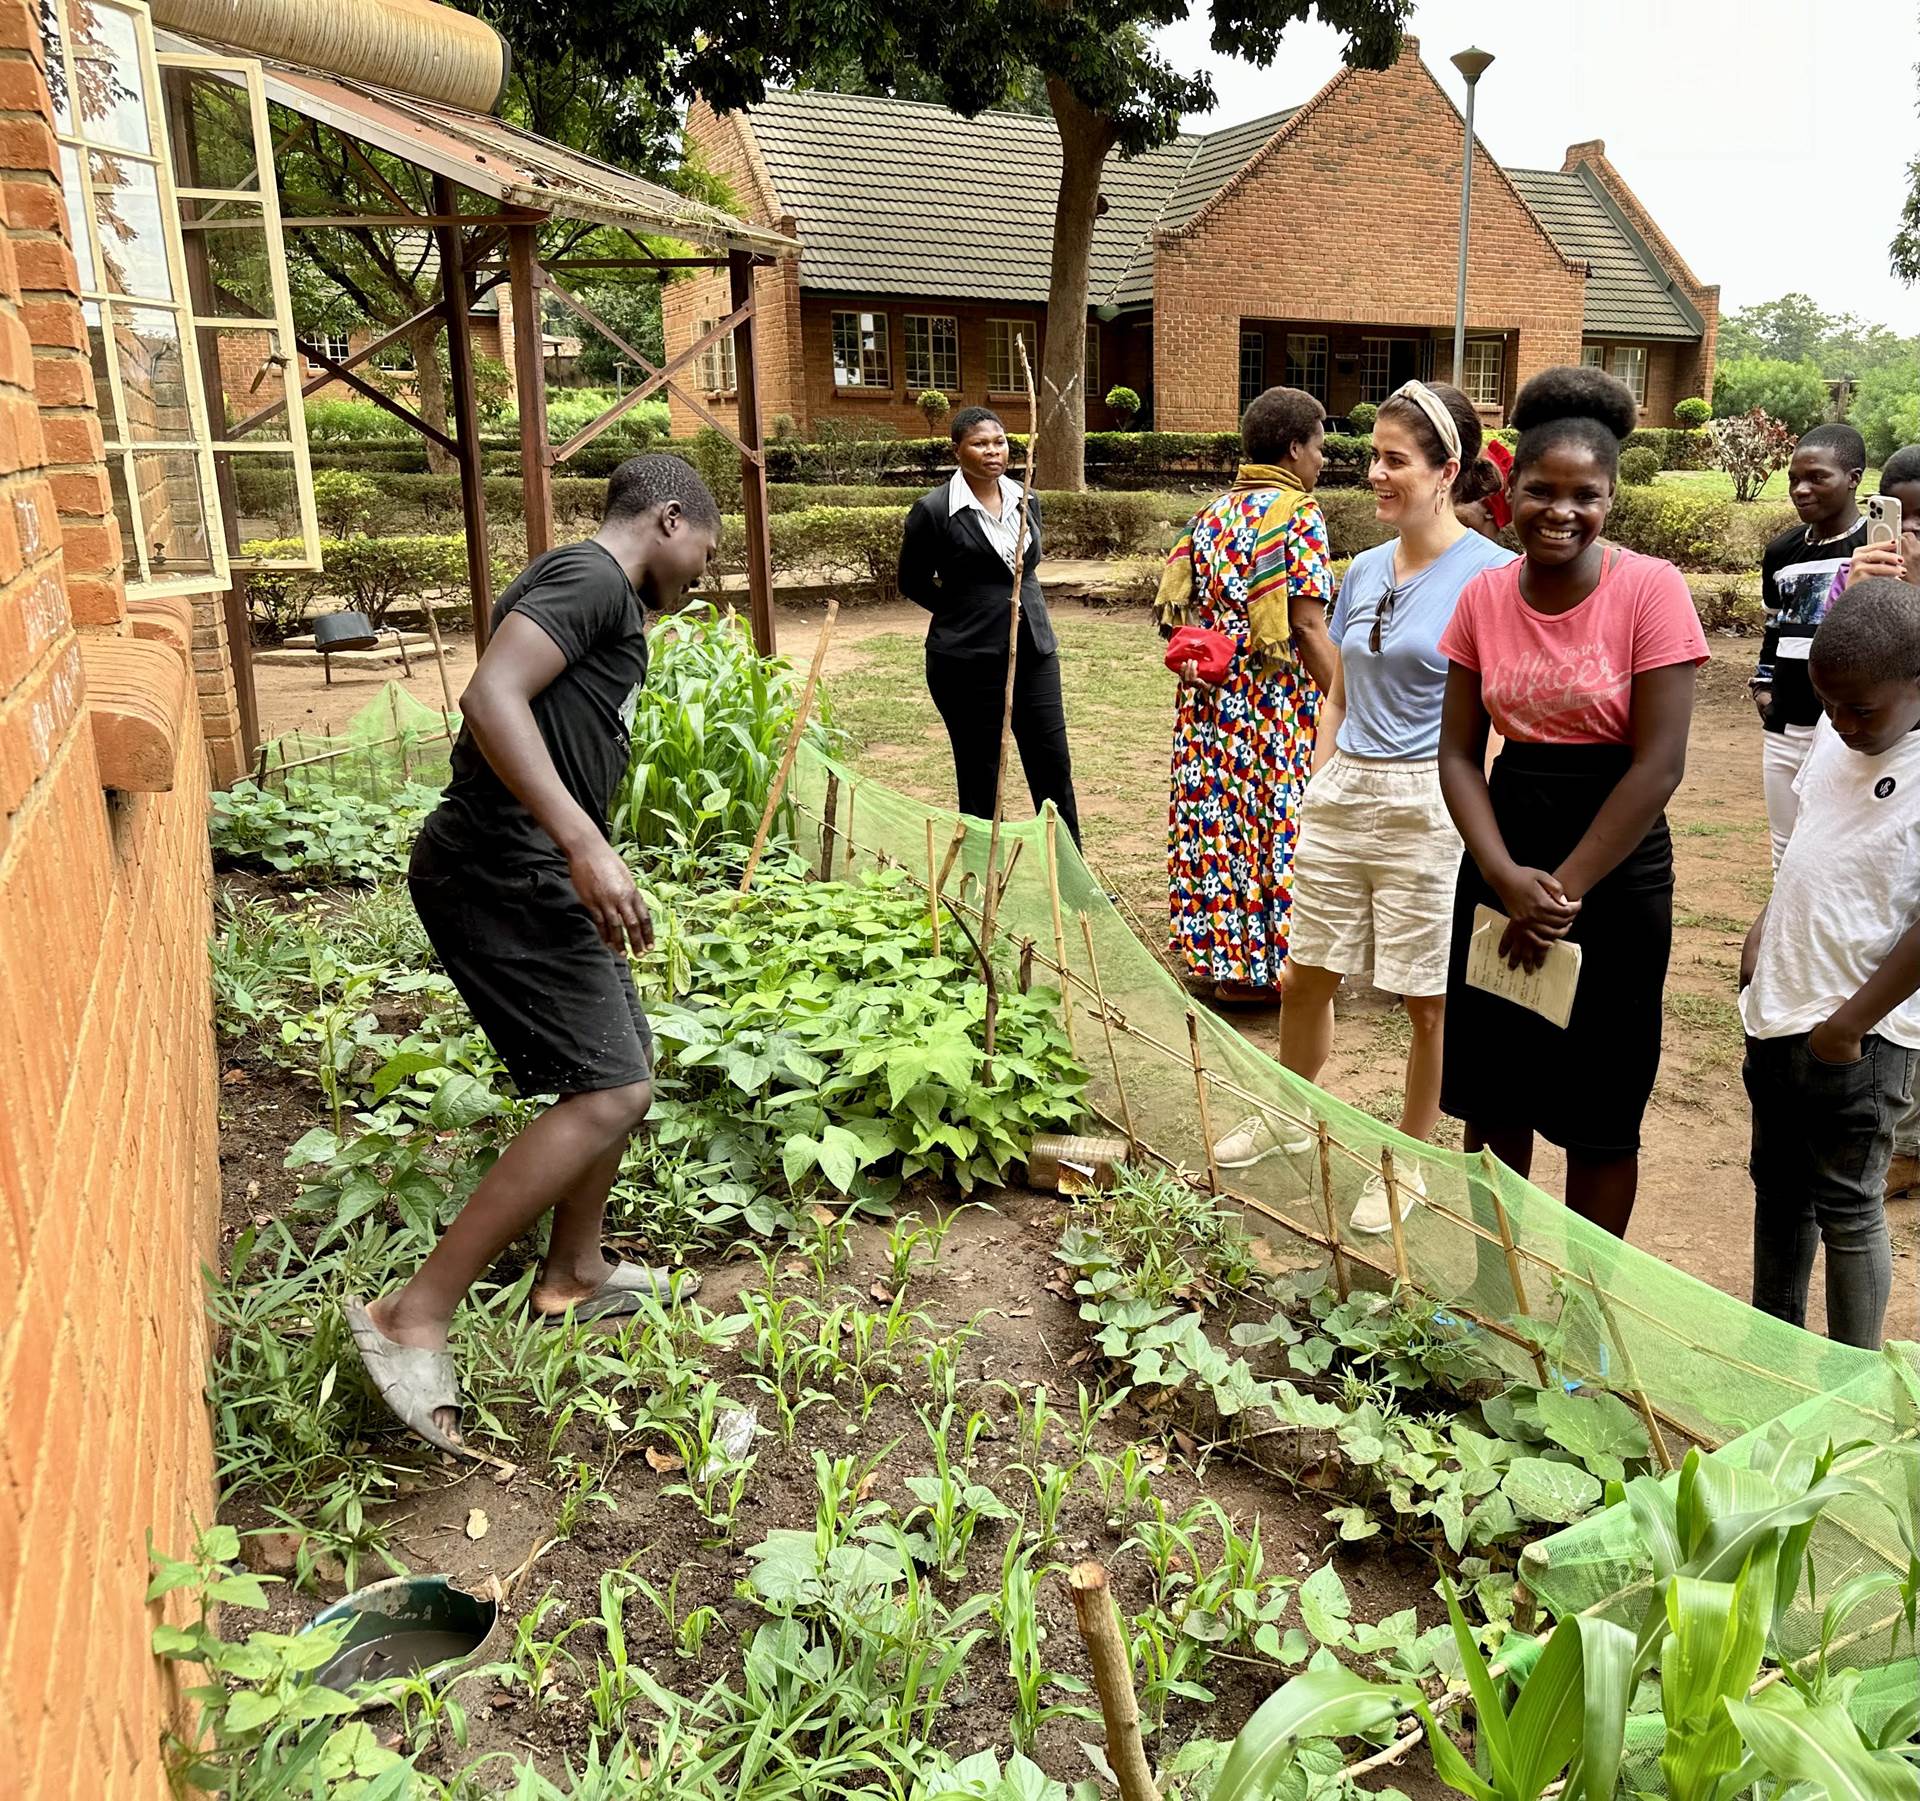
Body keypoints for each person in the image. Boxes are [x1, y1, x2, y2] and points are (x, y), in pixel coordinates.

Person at [344, 455, 723, 1454]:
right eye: (708, 554)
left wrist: (588, 850)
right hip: (497, 867)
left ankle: (577, 1272)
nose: (704, 576)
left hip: (524, 863)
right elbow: (492, 695)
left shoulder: (600, 593)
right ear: (670, 519)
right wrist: (584, 843)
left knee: (622, 1064)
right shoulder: (594, 576)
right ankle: (408, 1314)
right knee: (607, 1094)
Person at [1218, 382, 1514, 1232]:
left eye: (1395, 460)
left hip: (1431, 800)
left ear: (1447, 470)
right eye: (1371, 456)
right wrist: (1319, 774)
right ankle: (1284, 1110)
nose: (1374, 474)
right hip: (1345, 787)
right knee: (1305, 971)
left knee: (1427, 998)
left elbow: (1492, 713)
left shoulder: (1492, 578)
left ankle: (1408, 1162)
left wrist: (1471, 814)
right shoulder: (1363, 568)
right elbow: (1340, 690)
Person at [1436, 367, 1708, 1237]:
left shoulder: (1651, 589)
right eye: (1540, 492)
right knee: (1495, 1091)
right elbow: (1456, 752)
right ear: (1506, 491)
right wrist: (1504, 876)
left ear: (1612, 497)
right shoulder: (1481, 594)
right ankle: (1493, 1288)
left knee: (1600, 1107)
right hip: (1504, 844)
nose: (1561, 511)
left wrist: (1559, 893)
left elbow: (1659, 764)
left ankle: (1587, 1316)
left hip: (1615, 869)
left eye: (1584, 495)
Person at [1740, 578, 1920, 1349]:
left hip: (1862, 1036)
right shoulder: (1834, 731)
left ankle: (1850, 1379)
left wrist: (1850, 1024)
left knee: (1847, 1205)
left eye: (1862, 710)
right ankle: (1774, 1353)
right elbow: (1813, 840)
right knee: (1779, 1195)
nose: (1842, 724)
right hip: (1781, 1006)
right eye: (1828, 704)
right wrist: (1761, 927)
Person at [1157, 386, 1337, 1003]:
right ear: (1293, 448)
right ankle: (1270, 969)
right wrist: (1347, 698)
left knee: (1216, 822)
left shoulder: (1208, 514)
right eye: (1319, 446)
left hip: (1209, 698)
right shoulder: (1298, 515)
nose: (1323, 461)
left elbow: (1192, 608)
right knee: (1274, 821)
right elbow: (1309, 626)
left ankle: (1218, 961)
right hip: (1270, 702)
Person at [898, 406, 1080, 845]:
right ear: (957, 450)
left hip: (1034, 652)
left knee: (1052, 766)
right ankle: (981, 874)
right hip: (965, 662)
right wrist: (964, 611)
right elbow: (912, 580)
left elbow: (1028, 566)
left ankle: (1070, 874)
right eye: (980, 443)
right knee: (980, 773)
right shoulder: (935, 509)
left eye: (999, 441)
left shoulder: (1026, 497)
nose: (993, 451)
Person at [1828, 444, 1920, 1198]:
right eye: (1900, 515)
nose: (1909, 535)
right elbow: (1838, 693)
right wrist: (1860, 601)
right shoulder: (1868, 583)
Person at [1751, 423, 1869, 868]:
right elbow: (1773, 629)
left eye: (1817, 477)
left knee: (1838, 852)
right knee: (1785, 852)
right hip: (1785, 723)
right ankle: (1786, 940)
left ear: (1853, 478)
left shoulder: (1873, 549)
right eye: (1794, 479)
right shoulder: (1782, 551)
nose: (1801, 490)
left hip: (1845, 729)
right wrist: (1763, 689)